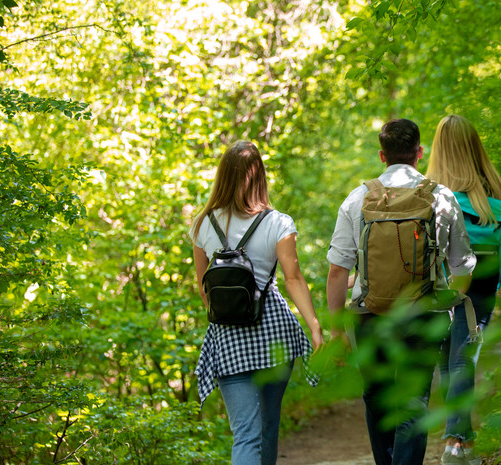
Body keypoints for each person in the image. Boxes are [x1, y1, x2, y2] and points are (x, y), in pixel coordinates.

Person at [326, 118, 476, 465]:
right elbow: (463, 266)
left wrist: (336, 330)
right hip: (423, 314)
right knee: (413, 400)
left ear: (382, 155)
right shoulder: (440, 196)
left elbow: (338, 270)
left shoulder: (358, 198)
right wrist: (449, 308)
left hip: (368, 315)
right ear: (419, 153)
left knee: (376, 396)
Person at [190, 140, 324, 465]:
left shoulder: (203, 223)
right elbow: (293, 278)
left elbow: (203, 287)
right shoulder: (278, 222)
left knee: (245, 435)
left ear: (222, 176)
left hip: (226, 338)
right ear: (260, 176)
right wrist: (315, 327)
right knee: (267, 428)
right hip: (273, 333)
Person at [425, 115, 501, 465]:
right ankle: (458, 442)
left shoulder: (430, 192)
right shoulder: (490, 191)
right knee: (463, 359)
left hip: (442, 278)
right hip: (482, 280)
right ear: (474, 147)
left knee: (449, 362)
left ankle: (456, 440)